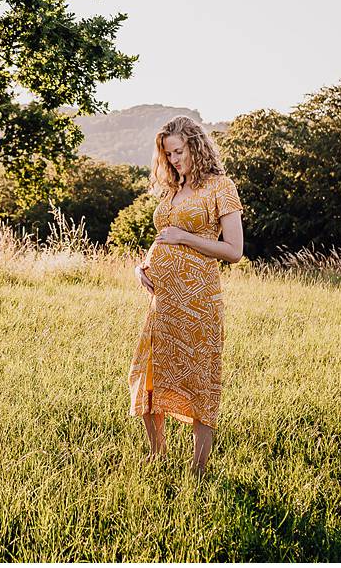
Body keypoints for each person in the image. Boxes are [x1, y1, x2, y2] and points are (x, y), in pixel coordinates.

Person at [128, 115, 244, 477]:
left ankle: (198, 470)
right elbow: (163, 236)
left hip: (198, 300)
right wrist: (143, 267)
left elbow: (234, 250)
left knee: (199, 379)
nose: (175, 159)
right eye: (168, 154)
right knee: (149, 373)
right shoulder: (173, 190)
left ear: (196, 144)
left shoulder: (220, 187)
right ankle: (157, 454)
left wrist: (186, 238)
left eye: (179, 151)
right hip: (162, 300)